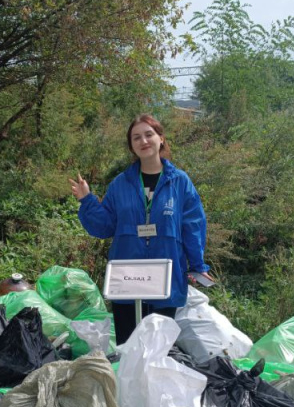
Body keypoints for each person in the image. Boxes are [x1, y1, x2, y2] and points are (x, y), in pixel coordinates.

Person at [69, 113, 213, 345]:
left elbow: (192, 226)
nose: (143, 141)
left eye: (149, 135)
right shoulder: (120, 183)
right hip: (128, 278)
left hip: (165, 278)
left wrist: (197, 266)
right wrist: (87, 200)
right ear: (131, 146)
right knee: (128, 348)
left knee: (158, 348)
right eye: (136, 138)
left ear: (161, 139)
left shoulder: (179, 182)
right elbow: (105, 226)